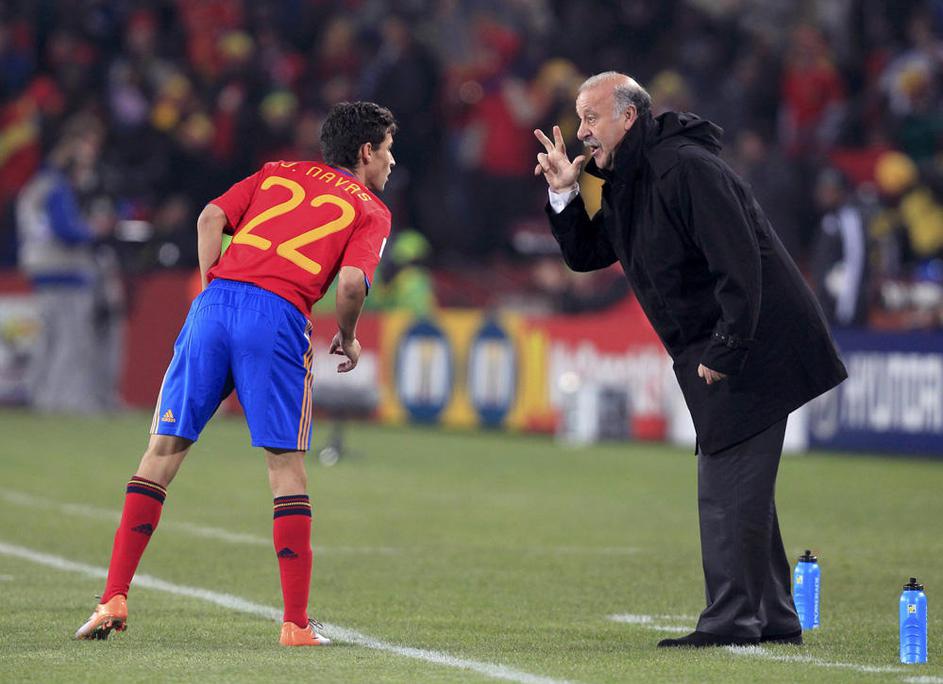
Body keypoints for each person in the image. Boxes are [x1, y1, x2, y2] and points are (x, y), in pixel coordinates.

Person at [534, 72, 847, 648]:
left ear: (629, 116)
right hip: (722, 340)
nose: (582, 133)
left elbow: (740, 260)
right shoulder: (614, 176)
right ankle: (773, 614)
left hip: (757, 339)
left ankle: (733, 618)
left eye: (592, 118)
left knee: (725, 478)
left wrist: (728, 345)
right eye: (580, 119)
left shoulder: (688, 168)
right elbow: (588, 252)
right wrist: (564, 194)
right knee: (740, 481)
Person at [75, 101, 397, 647]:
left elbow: (210, 219)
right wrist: (347, 334)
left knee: (161, 453)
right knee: (285, 468)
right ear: (366, 151)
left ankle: (112, 597)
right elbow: (349, 284)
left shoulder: (277, 172)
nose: (392, 162)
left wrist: (212, 292)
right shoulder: (371, 208)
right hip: (277, 316)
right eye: (388, 150)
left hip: (215, 304)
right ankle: (295, 624)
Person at [16, 114, 109, 413]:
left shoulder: (38, 185)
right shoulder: (57, 187)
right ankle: (59, 401)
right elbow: (67, 230)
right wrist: (94, 229)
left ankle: (39, 396)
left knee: (48, 338)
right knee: (70, 340)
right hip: (65, 270)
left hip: (42, 270)